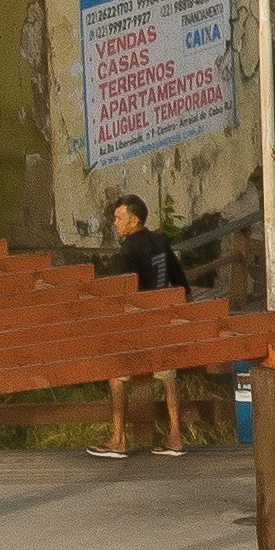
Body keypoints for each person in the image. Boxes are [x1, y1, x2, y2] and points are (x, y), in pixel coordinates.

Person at [96, 195, 194, 458]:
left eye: (118, 218)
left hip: (139, 324)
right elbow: (180, 280)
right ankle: (175, 436)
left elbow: (126, 291)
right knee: (168, 377)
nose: (115, 223)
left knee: (117, 375)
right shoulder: (160, 241)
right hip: (163, 320)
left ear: (134, 220)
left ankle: (118, 439)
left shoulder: (129, 249)